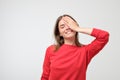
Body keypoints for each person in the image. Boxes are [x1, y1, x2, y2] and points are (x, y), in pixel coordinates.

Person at [41, 14, 109, 80]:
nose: (67, 28)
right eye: (62, 26)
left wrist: (78, 28)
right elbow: (45, 76)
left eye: (69, 25)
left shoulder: (85, 51)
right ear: (59, 33)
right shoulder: (51, 50)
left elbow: (104, 36)